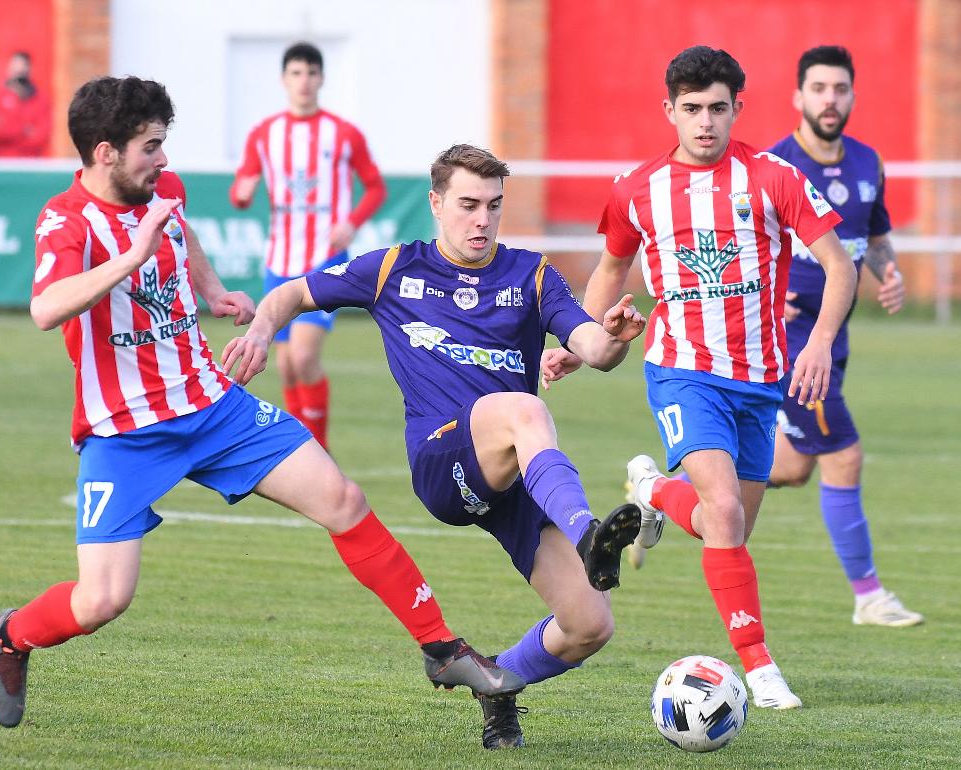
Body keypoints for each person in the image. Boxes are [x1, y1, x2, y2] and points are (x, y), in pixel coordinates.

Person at [0, 77, 523, 732]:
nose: (164, 161)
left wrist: (212, 292)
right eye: (151, 147)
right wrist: (132, 255)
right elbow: (46, 309)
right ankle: (14, 635)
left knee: (343, 501)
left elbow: (181, 235)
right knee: (101, 600)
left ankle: (441, 648)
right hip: (126, 432)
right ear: (105, 153)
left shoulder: (163, 193)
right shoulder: (67, 221)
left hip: (214, 405)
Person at [222, 144, 647, 749]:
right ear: (436, 203)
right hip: (443, 461)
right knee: (524, 408)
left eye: (494, 207)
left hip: (514, 469)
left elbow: (595, 349)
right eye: (469, 205)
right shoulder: (395, 267)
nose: (482, 220)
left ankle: (497, 686)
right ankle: (587, 532)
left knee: (588, 624)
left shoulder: (530, 273)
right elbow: (291, 293)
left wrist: (615, 338)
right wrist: (264, 329)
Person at [543, 46, 858, 710]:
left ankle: (654, 490)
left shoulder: (773, 178)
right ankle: (761, 668)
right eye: (692, 110)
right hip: (683, 371)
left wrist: (821, 344)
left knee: (730, 528)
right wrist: (582, 339)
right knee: (723, 510)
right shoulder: (637, 187)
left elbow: (839, 266)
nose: (705, 123)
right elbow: (609, 271)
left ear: (737, 108)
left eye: (718, 108)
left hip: (762, 379)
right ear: (670, 111)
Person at [762, 45, 922, 627]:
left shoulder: (867, 162)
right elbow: (741, 245)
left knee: (790, 467)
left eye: (840, 89)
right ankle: (869, 596)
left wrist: (891, 274)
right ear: (798, 96)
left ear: (852, 96)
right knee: (843, 455)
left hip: (837, 336)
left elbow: (873, 235)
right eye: (820, 88)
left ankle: (658, 490)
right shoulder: (774, 167)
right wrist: (763, 289)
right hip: (794, 340)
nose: (830, 99)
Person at [229, 41, 387, 450]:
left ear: (321, 79)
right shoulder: (265, 134)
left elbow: (375, 187)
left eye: (311, 73)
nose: (304, 81)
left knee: (302, 356)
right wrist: (243, 193)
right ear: (285, 79)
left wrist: (351, 223)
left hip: (324, 259)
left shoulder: (344, 133)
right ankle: (301, 450)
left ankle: (317, 448)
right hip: (279, 260)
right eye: (296, 73)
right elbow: (241, 188)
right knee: (284, 365)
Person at [0, 51, 51, 157]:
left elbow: (41, 137)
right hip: (1, 162)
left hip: (31, 163)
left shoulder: (40, 100)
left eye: (23, 68)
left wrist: (8, 127)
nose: (19, 72)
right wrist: (24, 130)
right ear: (9, 70)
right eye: (16, 67)